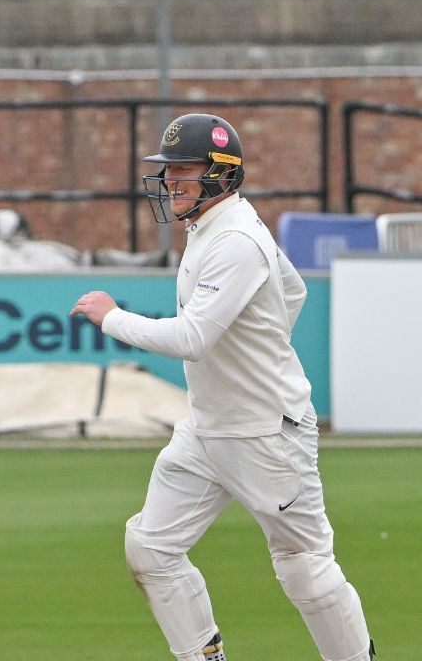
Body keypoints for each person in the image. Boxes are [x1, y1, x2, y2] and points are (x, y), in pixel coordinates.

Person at [70, 114, 374, 661]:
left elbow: (193, 338)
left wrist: (112, 318)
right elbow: (294, 290)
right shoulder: (209, 229)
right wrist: (261, 340)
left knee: (303, 567)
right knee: (151, 548)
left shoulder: (236, 238)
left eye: (183, 170)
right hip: (208, 429)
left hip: (266, 433)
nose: (170, 182)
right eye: (168, 172)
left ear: (222, 174)